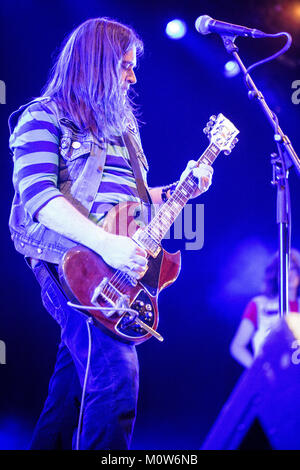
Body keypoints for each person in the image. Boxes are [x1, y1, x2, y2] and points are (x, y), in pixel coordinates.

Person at [8, 18, 213, 450]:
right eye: (124, 65)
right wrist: (107, 244)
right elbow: (38, 198)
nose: (133, 77)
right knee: (117, 376)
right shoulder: (42, 116)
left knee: (71, 394)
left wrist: (183, 189)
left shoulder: (126, 131)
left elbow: (139, 202)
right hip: (68, 260)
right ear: (97, 63)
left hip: (114, 265)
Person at [230, 249, 300, 369]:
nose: (289, 274)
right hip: (270, 378)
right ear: (276, 274)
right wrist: (258, 370)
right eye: (283, 269)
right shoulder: (259, 305)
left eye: (293, 269)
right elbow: (237, 347)